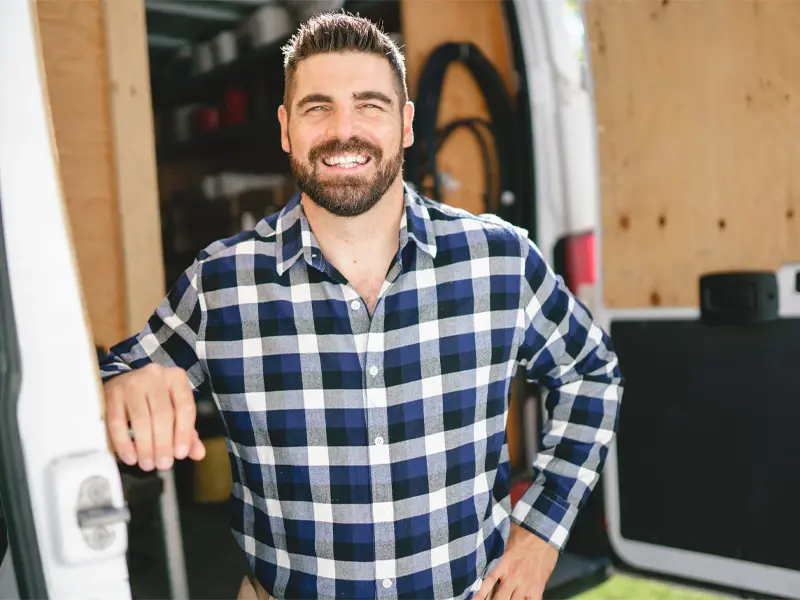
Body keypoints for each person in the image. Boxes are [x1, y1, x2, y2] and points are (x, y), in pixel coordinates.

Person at [100, 11, 623, 600]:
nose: (343, 130)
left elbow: (591, 373)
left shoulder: (499, 259)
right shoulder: (220, 282)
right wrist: (119, 391)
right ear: (285, 129)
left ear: (406, 125)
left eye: (369, 105)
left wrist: (543, 532)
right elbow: (110, 379)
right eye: (317, 107)